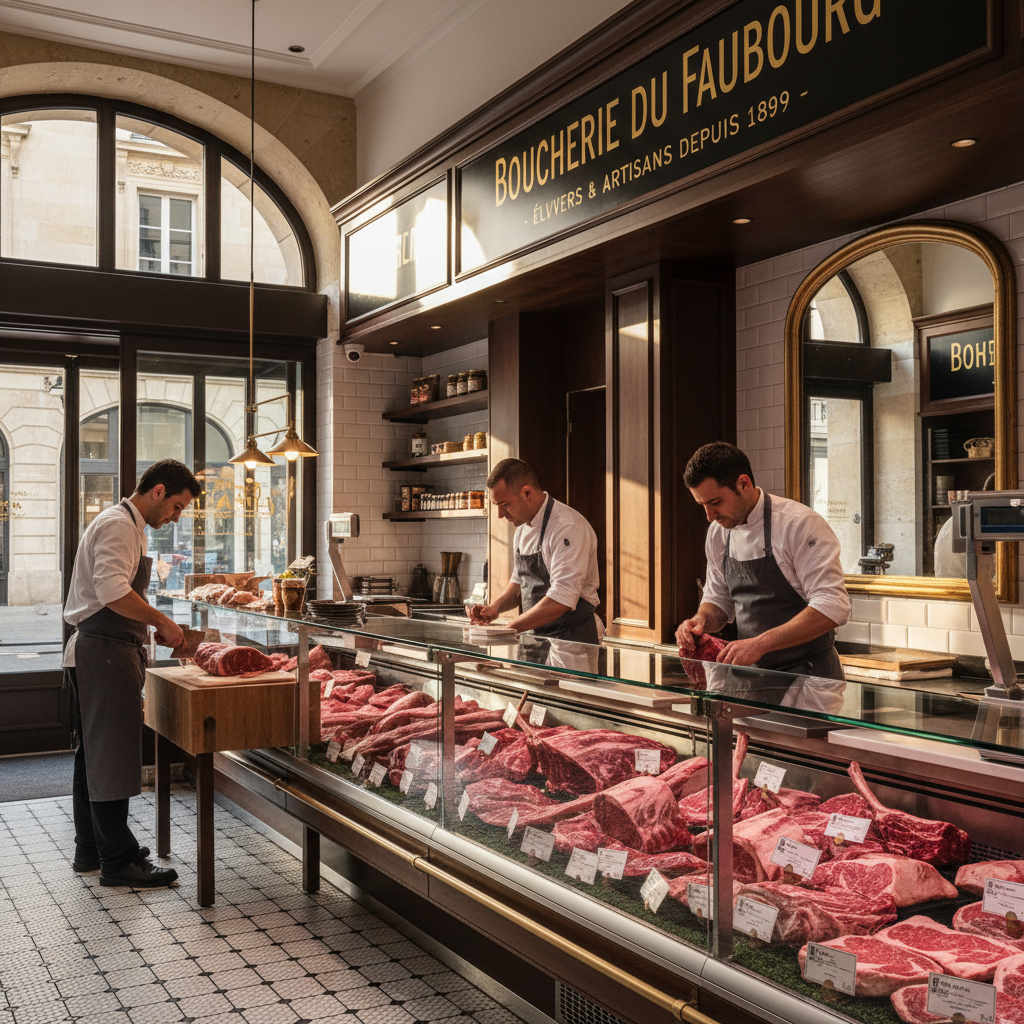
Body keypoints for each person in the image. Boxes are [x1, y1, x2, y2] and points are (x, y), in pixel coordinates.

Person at [63, 458, 202, 887]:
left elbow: (118, 595)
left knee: (94, 759)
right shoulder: (120, 525)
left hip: (109, 649)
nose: (177, 517)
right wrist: (161, 622)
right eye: (178, 506)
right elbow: (111, 591)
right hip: (101, 654)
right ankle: (119, 861)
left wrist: (144, 628)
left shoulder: (131, 526)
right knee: (111, 759)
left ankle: (91, 850)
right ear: (158, 491)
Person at [675, 442, 850, 679]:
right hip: (753, 678)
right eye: (703, 505)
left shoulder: (798, 524)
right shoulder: (719, 533)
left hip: (809, 679)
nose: (710, 516)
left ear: (743, 483)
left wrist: (760, 644)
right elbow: (718, 600)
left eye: (716, 503)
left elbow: (832, 606)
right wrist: (700, 621)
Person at [469, 458, 603, 643]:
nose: (500, 515)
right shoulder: (522, 528)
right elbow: (519, 585)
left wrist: (508, 629)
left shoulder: (567, 527)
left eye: (504, 505)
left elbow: (562, 598)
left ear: (526, 492)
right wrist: (494, 608)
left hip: (572, 642)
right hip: (535, 639)